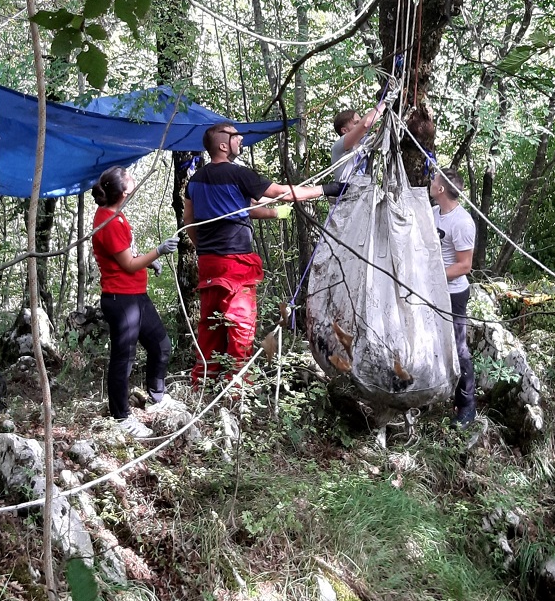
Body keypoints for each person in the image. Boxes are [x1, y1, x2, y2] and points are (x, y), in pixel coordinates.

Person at [186, 123, 341, 387]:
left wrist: (273, 213)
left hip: (209, 264)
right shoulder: (238, 174)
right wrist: (328, 189)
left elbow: (194, 221)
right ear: (223, 145)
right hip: (235, 264)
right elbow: (282, 192)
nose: (240, 139)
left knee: (210, 327)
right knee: (240, 328)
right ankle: (236, 392)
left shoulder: (196, 180)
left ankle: (203, 383)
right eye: (235, 136)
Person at [90, 166, 178, 439]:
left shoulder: (116, 216)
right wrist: (157, 251)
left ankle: (157, 395)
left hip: (136, 296)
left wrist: (150, 263)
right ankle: (121, 416)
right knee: (123, 360)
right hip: (120, 299)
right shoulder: (108, 221)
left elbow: (126, 256)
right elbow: (127, 265)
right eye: (128, 177)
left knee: (161, 345)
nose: (133, 178)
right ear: (123, 191)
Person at [429, 171, 477, 425]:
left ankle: (467, 404)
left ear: (441, 190)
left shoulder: (462, 222)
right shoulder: (435, 214)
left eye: (434, 181)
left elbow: (464, 265)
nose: (431, 183)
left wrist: (432, 277)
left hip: (454, 294)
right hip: (433, 291)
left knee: (458, 349)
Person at [330, 106, 378, 185]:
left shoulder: (365, 142)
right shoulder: (339, 146)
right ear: (344, 130)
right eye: (357, 123)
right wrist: (384, 103)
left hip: (364, 192)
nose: (360, 125)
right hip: (348, 193)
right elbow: (365, 125)